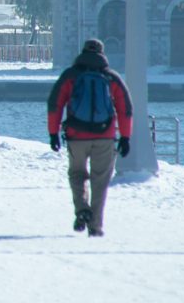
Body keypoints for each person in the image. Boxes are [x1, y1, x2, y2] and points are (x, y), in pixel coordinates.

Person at [47, 38, 132, 237]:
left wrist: (53, 133)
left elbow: (54, 104)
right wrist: (125, 137)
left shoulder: (71, 75)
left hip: (76, 135)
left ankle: (82, 208)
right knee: (100, 181)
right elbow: (125, 108)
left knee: (76, 174)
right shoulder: (111, 77)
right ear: (102, 54)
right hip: (105, 136)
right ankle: (95, 225)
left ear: (82, 52)